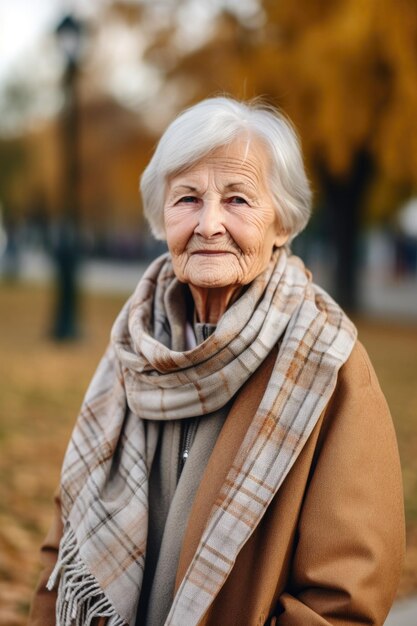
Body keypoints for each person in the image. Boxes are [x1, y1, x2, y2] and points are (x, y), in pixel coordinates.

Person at [29, 97, 405, 626]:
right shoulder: (133, 348)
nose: (208, 224)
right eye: (187, 198)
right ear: (162, 218)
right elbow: (63, 550)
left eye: (237, 199)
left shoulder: (331, 365)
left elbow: (344, 601)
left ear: (282, 223)